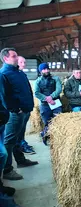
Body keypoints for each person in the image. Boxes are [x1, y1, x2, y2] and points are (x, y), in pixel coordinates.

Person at [0, 48, 38, 181]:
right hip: (15, 113)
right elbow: (4, 97)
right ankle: (7, 169)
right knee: (9, 140)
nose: (17, 58)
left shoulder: (18, 72)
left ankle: (21, 160)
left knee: (18, 138)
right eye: (14, 56)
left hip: (25, 111)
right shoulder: (4, 74)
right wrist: (15, 109)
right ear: (6, 58)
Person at [34, 62, 62, 145]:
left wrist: (51, 97)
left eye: (47, 69)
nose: (46, 70)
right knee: (47, 122)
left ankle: (56, 138)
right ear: (40, 71)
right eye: (44, 69)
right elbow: (36, 93)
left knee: (58, 120)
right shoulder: (38, 81)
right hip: (44, 104)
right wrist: (47, 99)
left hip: (55, 103)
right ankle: (45, 135)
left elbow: (59, 89)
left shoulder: (55, 79)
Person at [16, 56, 35, 155]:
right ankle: (21, 145)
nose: (24, 64)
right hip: (20, 109)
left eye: (25, 62)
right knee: (19, 129)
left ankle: (23, 142)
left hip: (26, 108)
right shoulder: (14, 76)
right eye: (21, 62)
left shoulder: (22, 74)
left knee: (23, 128)